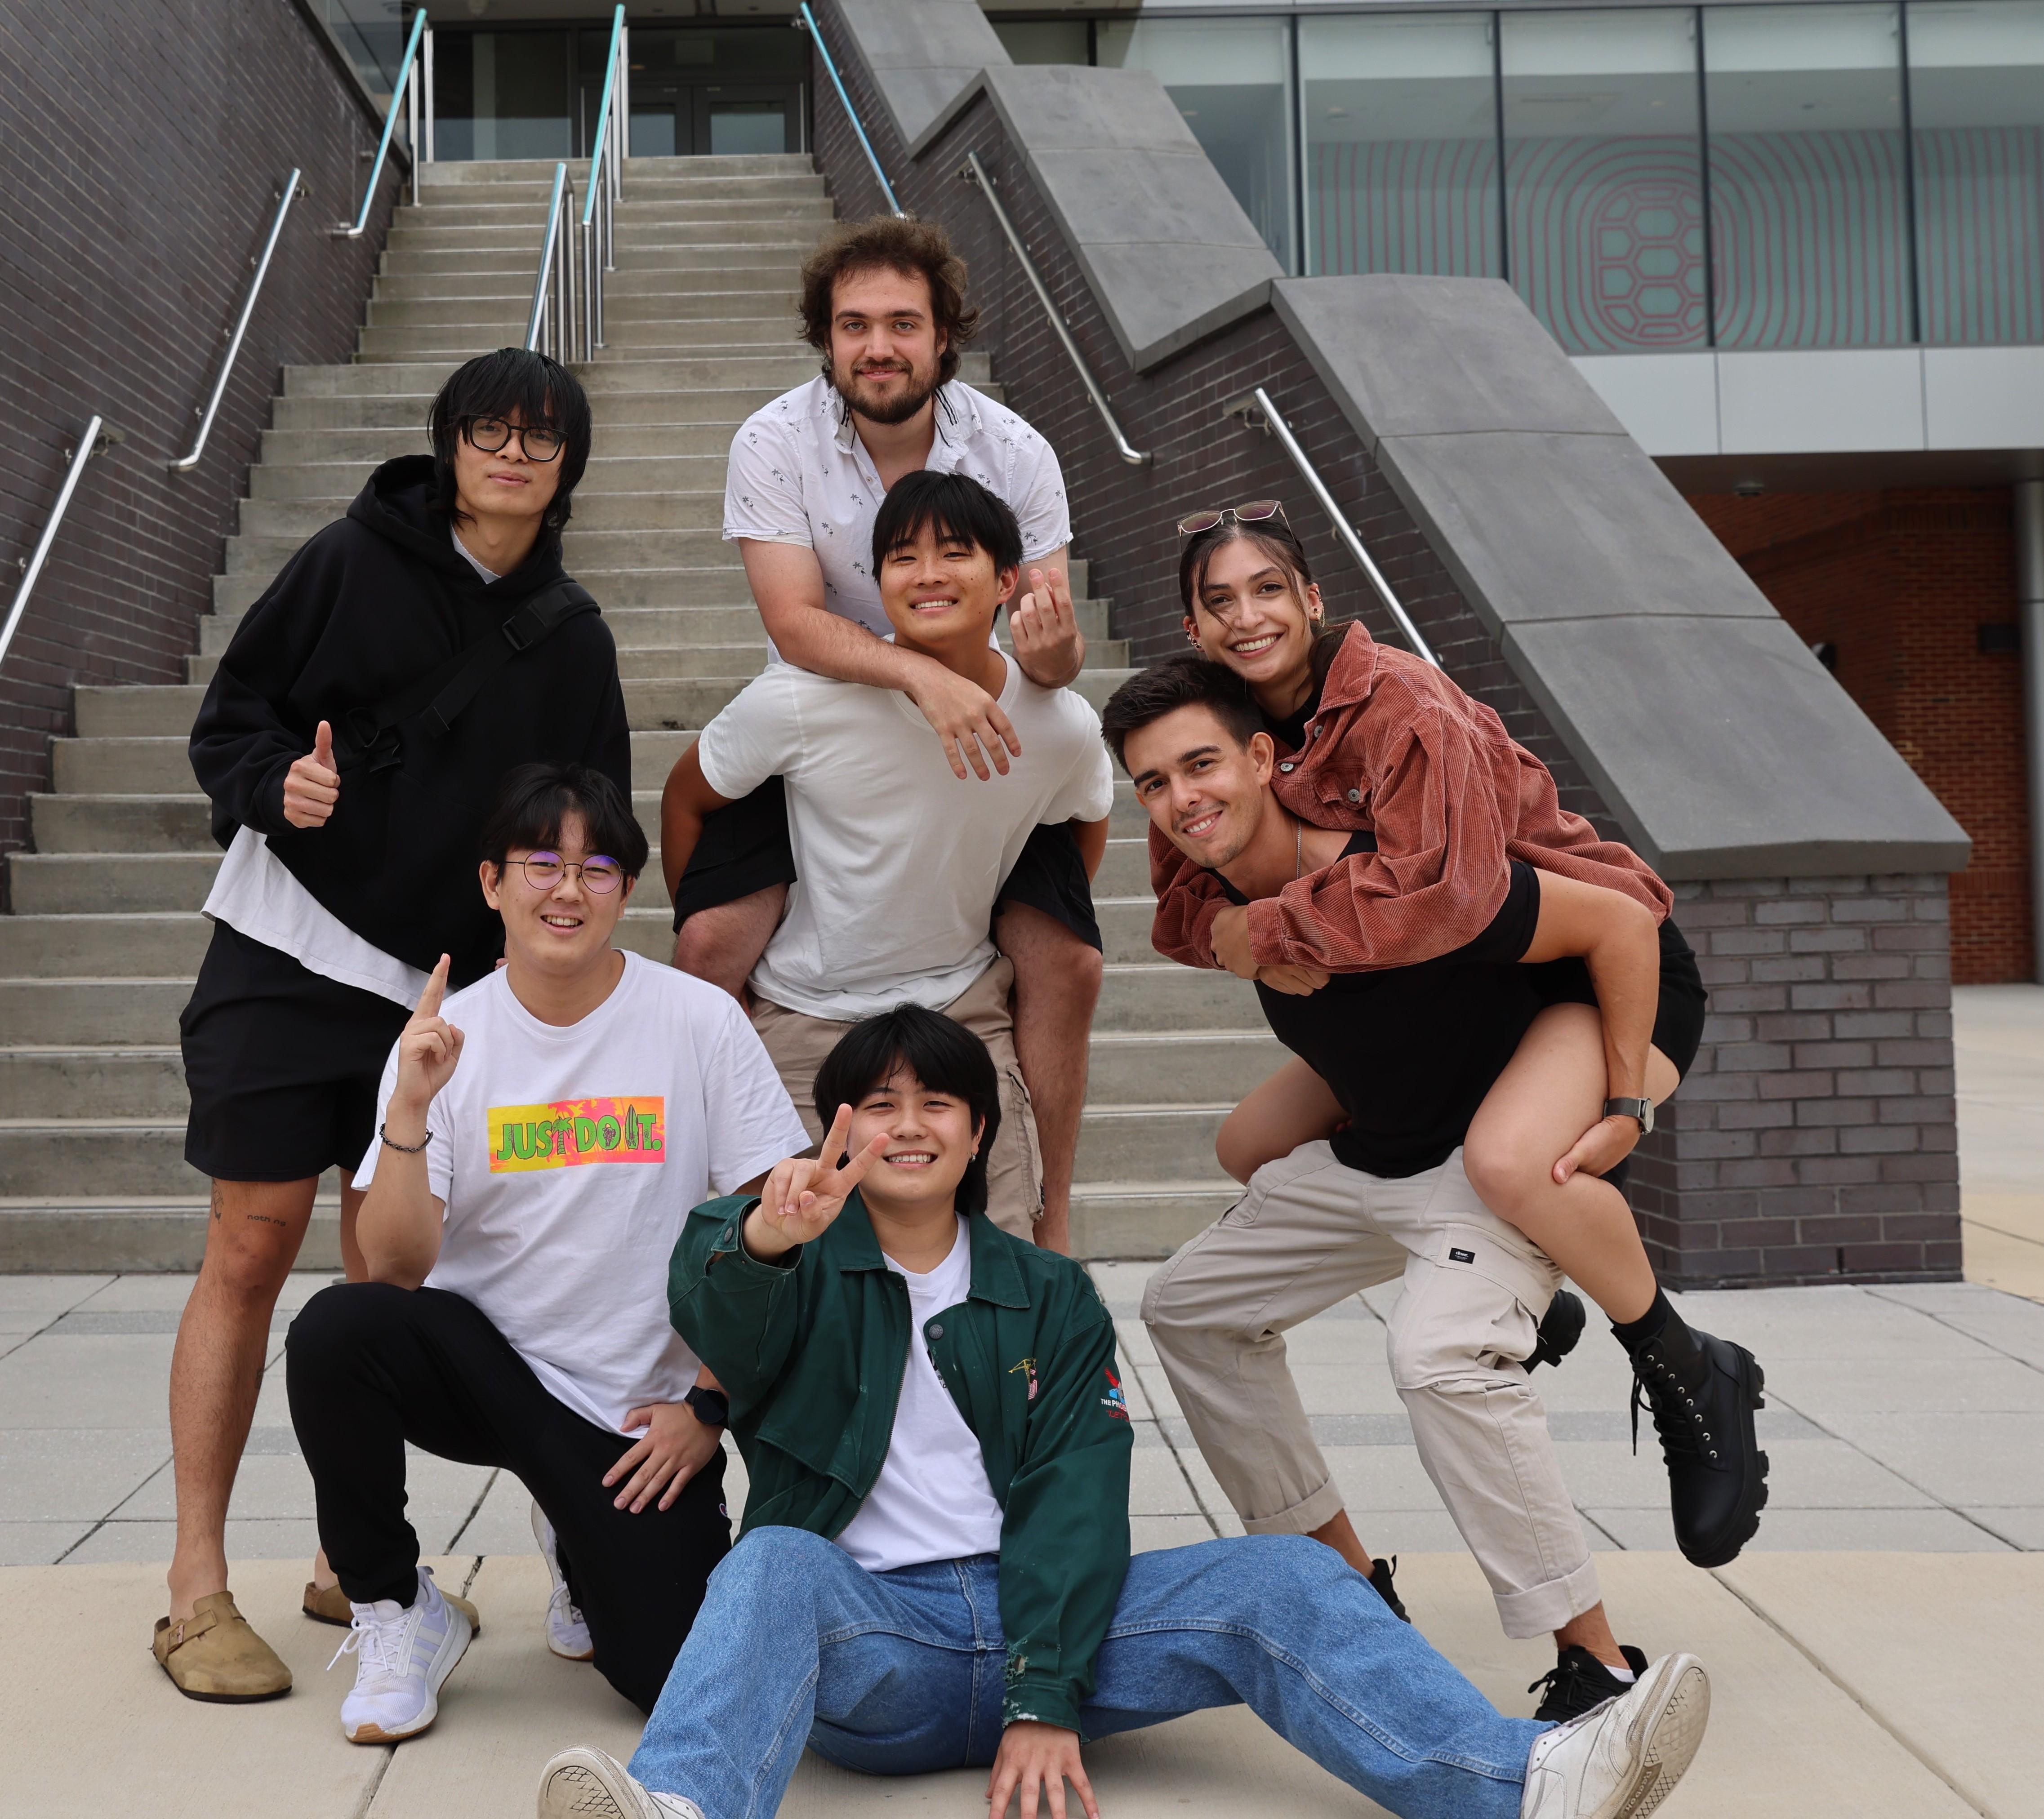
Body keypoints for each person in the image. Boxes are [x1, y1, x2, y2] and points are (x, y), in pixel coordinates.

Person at [531, 1006, 1711, 1819]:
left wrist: (1044, 1697)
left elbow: (1076, 1497)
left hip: (1057, 1626)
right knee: (771, 1566)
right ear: (832, 1134)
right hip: (877, 1643)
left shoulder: (1042, 1296)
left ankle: (1530, 1786)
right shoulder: (787, 1266)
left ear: (979, 1135)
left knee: (1286, 1577)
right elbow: (713, 1305)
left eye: (938, 1102)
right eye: (875, 1105)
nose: (906, 1124)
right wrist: (761, 1236)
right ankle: (679, 1807)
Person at [1102, 655, 1764, 1723]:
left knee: (1440, 1355)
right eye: (1154, 782)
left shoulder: (1408, 884)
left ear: (1267, 757)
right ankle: (1343, 1585)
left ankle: (1600, 1660)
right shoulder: (1218, 899)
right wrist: (1247, 936)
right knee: (1191, 1299)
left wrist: (1627, 1107)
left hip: (1491, 1153)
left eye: (1202, 764)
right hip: (1385, 1148)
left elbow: (1620, 925)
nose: (1183, 798)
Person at [162, 349, 625, 1702]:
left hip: (423, 995)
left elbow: (583, 827)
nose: (514, 453)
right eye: (490, 429)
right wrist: (275, 785)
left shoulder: (577, 634)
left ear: (568, 468)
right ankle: (195, 1586)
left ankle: (347, 1560)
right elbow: (232, 715)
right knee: (249, 1247)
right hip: (281, 945)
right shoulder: (348, 561)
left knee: (385, 1283)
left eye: (543, 438)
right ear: (451, 443)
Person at [284, 764, 810, 1744]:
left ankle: (579, 1539)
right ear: (492, 883)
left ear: (626, 890)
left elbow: (773, 1236)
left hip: (634, 1414)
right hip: (491, 1370)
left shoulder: (698, 1019)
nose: (569, 890)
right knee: (334, 1330)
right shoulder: (456, 1035)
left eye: (598, 868)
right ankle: (400, 1610)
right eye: (542, 864)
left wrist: (710, 1403)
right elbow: (395, 1264)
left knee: (668, 1676)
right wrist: (408, 1106)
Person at [680, 214, 1100, 1251]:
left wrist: (1044, 675)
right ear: (826, 339)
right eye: (854, 324)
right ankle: (717, 1191)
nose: (878, 346)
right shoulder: (774, 440)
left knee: (1073, 957)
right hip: (821, 720)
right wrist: (919, 679)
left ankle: (1047, 1212)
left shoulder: (1015, 450)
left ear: (944, 334)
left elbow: (1046, 641)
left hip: (979, 727)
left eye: (903, 323)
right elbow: (794, 621)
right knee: (705, 942)